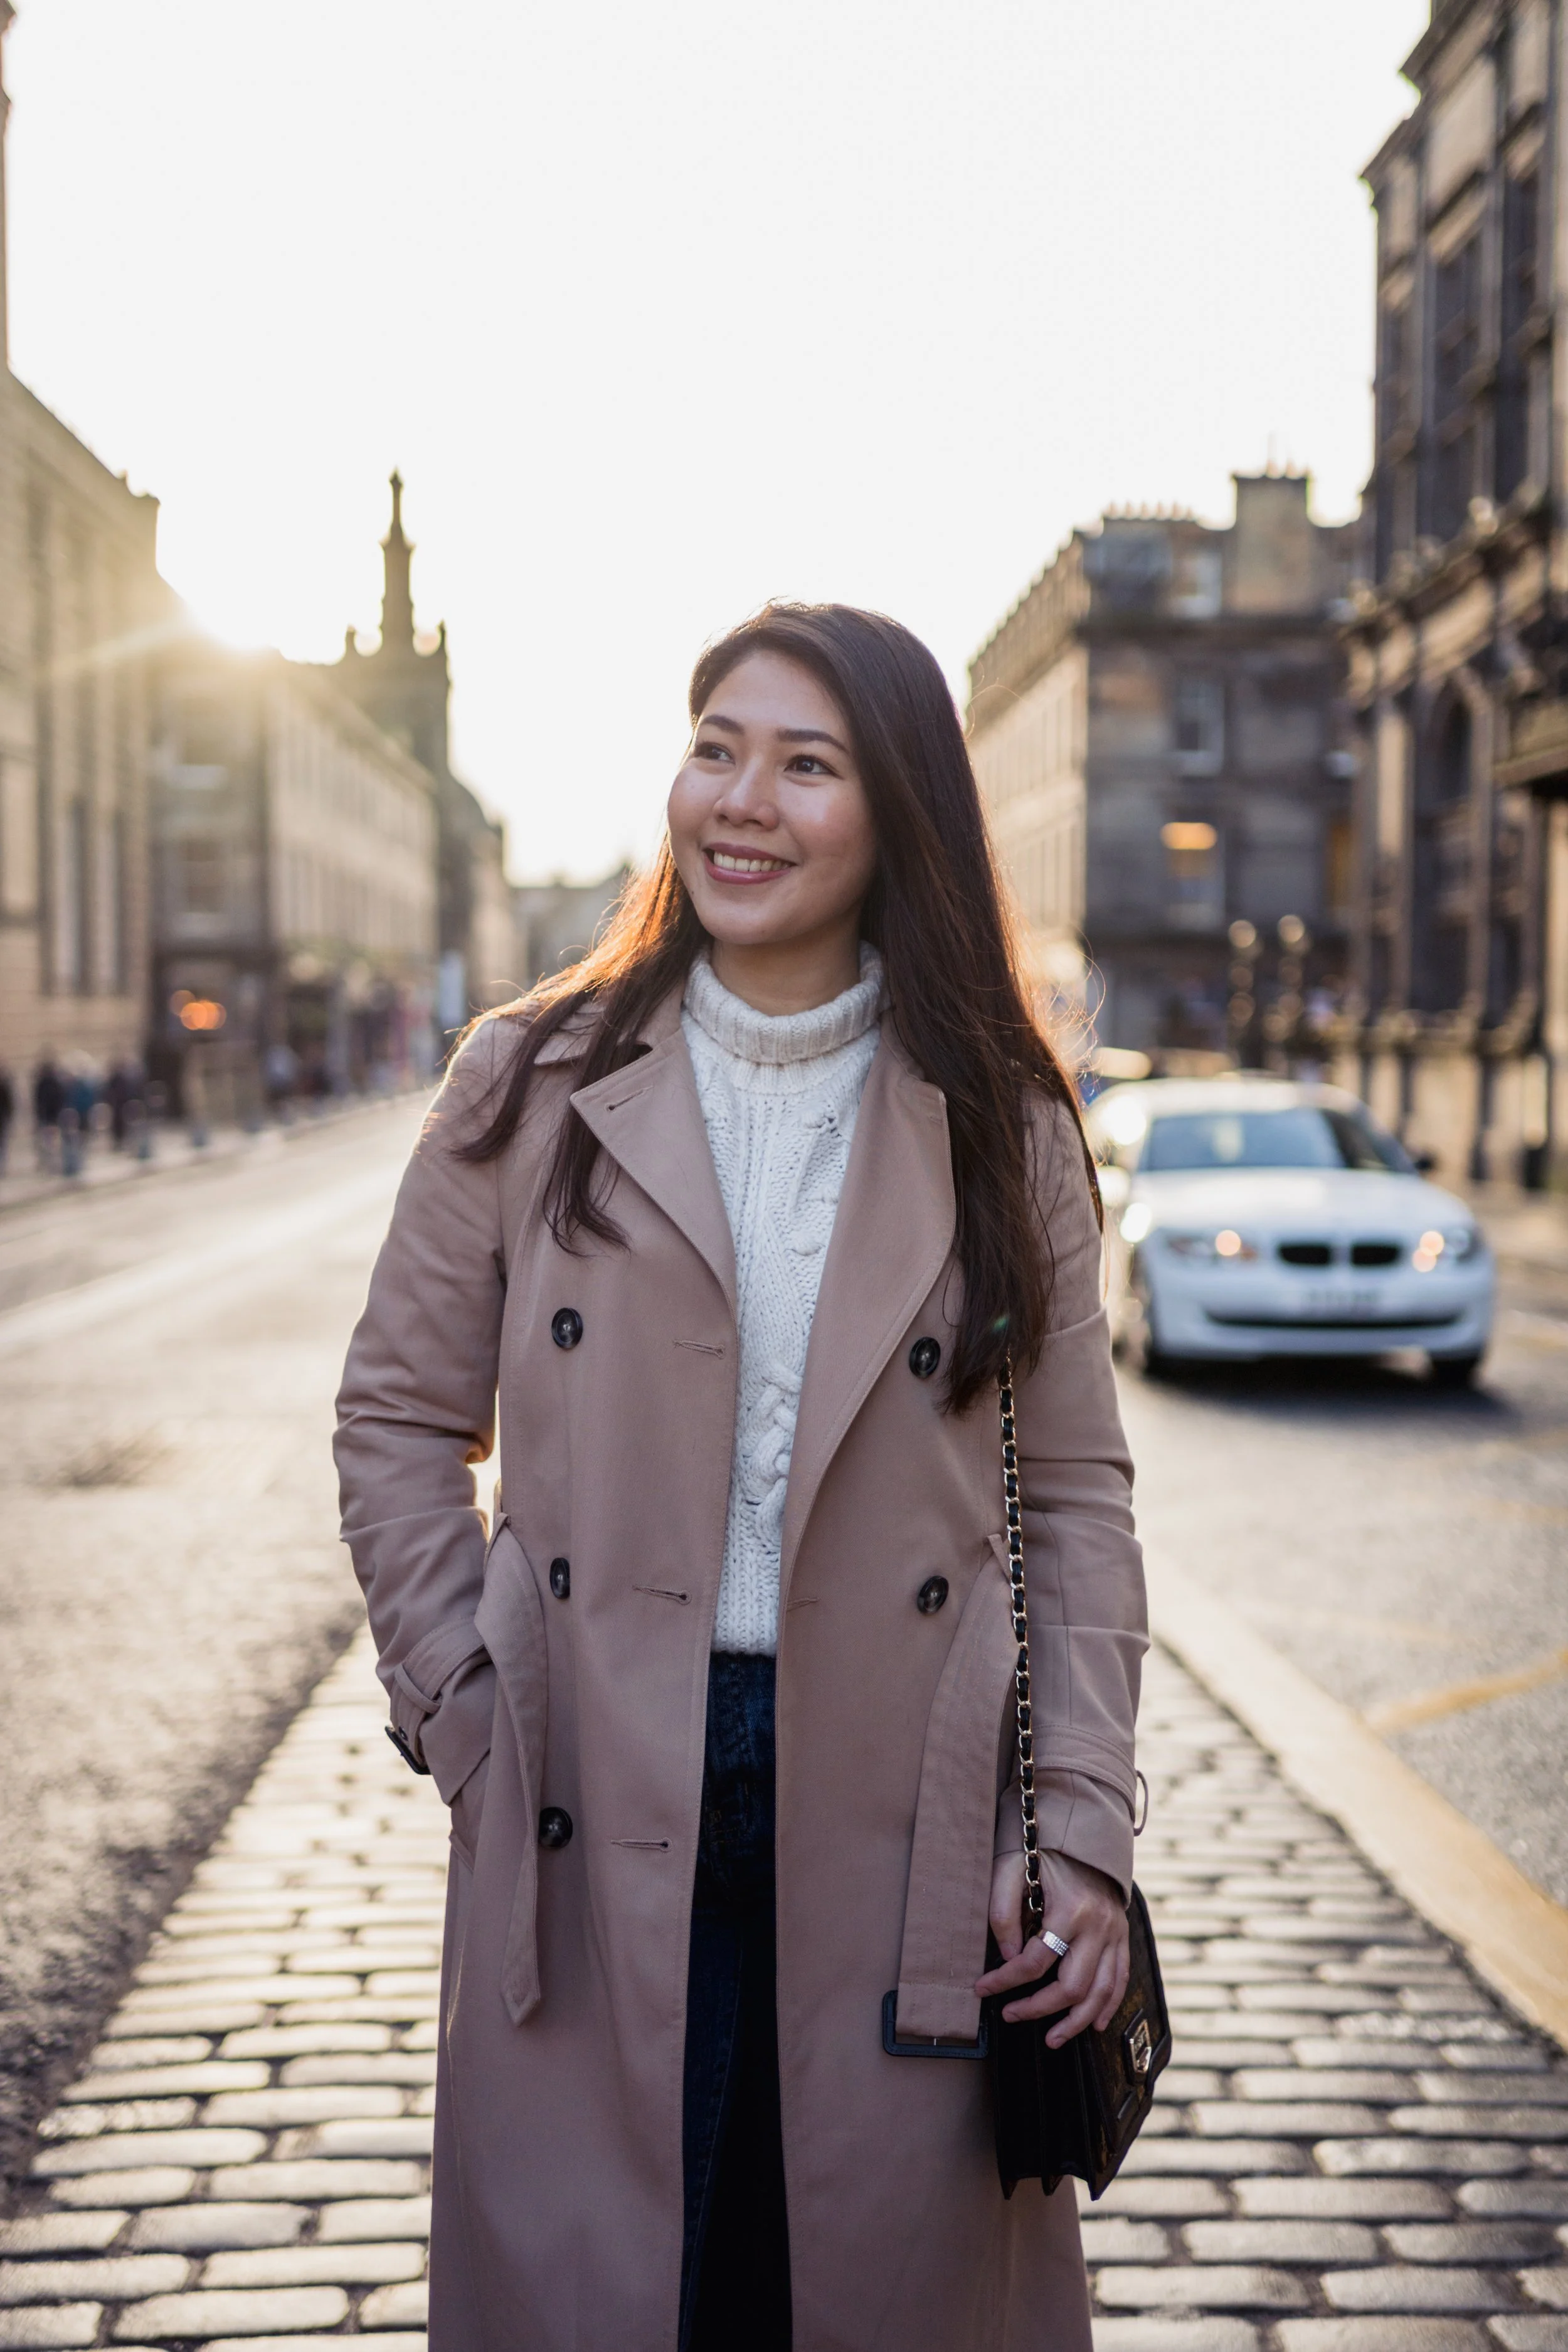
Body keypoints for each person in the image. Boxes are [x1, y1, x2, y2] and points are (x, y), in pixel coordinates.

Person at [335, 603, 1147, 2352]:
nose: (741, 800)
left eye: (804, 761)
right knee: (625, 2289)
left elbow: (1072, 1493)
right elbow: (397, 1420)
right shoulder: (525, 1082)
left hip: (910, 1818)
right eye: (715, 745)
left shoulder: (996, 1113)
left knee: (854, 2287)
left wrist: (1075, 1822)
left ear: (896, 813)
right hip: (586, 1782)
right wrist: (466, 1704)